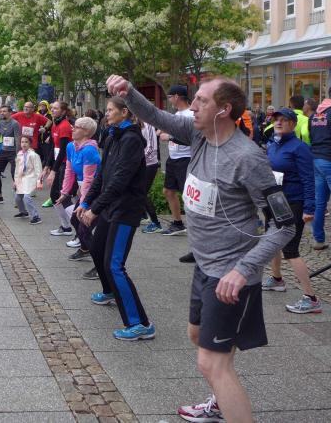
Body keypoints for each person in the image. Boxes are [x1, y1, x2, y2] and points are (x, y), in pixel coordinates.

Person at [106, 74, 295, 423]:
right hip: (205, 266)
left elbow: (284, 224)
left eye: (202, 101)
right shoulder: (198, 134)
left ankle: (226, 401)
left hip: (230, 274)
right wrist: (127, 92)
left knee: (211, 363)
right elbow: (155, 115)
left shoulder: (247, 158)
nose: (192, 106)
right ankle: (222, 396)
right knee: (197, 335)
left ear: (224, 110)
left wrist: (243, 270)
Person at [75, 97, 153, 341]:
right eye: (107, 110)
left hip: (126, 210)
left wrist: (95, 209)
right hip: (110, 206)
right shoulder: (111, 136)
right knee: (97, 250)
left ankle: (140, 324)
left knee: (114, 264)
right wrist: (86, 202)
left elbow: (120, 179)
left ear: (125, 112)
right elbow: (102, 174)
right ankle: (109, 290)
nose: (106, 114)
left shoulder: (131, 140)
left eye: (110, 110)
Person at [262, 108, 321, 313]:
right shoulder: (273, 144)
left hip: (294, 203)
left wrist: (309, 208)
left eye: (284, 120)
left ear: (293, 124)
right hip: (275, 201)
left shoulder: (300, 148)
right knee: (272, 241)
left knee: (290, 250)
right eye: (276, 119)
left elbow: (309, 180)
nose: (278, 122)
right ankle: (277, 279)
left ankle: (311, 298)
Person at [54, 117, 100, 267]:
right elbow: (69, 171)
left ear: (86, 132)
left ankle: (100, 265)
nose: (72, 129)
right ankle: (85, 249)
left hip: (97, 192)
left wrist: (84, 203)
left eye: (77, 127)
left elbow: (89, 180)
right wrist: (65, 192)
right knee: (75, 219)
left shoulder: (89, 150)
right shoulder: (70, 147)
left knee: (84, 226)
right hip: (85, 190)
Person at [158, 85, 193, 238]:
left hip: (186, 159)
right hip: (173, 158)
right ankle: (178, 223)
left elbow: (192, 138)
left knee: (188, 195)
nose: (169, 100)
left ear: (177, 97)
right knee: (168, 191)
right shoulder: (177, 114)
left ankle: (197, 227)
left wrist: (170, 137)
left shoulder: (190, 115)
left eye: (170, 97)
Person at [309, 90, 331, 251]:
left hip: (316, 158)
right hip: (329, 159)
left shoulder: (316, 114)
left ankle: (318, 240)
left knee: (319, 202)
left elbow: (310, 135)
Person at [42, 101, 72, 210]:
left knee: (63, 196)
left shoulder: (64, 126)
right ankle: (65, 221)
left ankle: (74, 218)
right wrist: (46, 166)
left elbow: (63, 151)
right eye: (52, 108)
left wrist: (53, 172)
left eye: (56, 108)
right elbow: (53, 148)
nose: (52, 110)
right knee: (54, 196)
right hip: (58, 162)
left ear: (63, 111)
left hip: (65, 164)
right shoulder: (55, 124)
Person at [0, 105, 22, 204]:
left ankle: (19, 198)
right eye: (1, 111)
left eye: (4, 111)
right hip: (3, 151)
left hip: (13, 152)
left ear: (10, 113)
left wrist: (18, 155)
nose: (2, 113)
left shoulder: (15, 124)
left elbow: (17, 140)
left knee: (14, 174)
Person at [13, 135, 43, 225]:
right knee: (17, 197)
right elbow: (17, 169)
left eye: (26, 142)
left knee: (26, 197)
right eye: (22, 142)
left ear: (30, 144)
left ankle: (36, 216)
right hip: (22, 179)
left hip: (31, 179)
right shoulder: (19, 154)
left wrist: (39, 182)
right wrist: (15, 181)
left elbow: (38, 169)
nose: (24, 144)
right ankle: (23, 212)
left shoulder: (34, 155)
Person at [140, 119, 163, 233]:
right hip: (140, 164)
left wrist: (137, 158)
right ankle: (143, 215)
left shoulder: (148, 124)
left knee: (142, 192)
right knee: (137, 190)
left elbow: (152, 148)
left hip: (149, 164)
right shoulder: (136, 123)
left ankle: (156, 223)